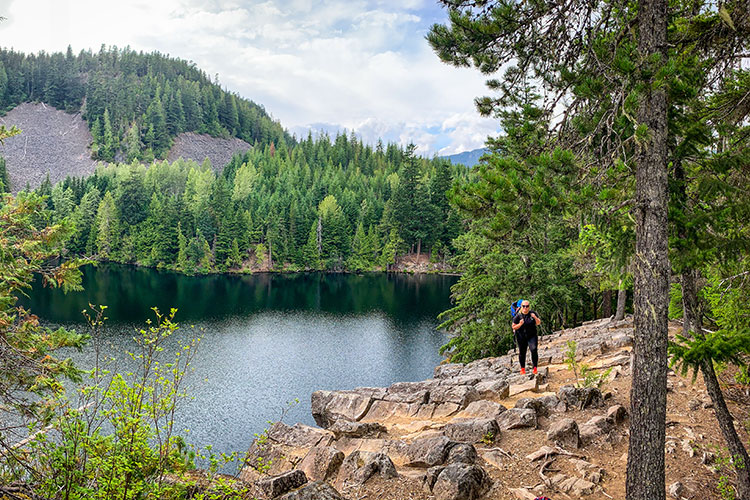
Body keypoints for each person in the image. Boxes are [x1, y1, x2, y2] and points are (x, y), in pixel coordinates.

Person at [512, 300, 541, 375]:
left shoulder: (532, 313)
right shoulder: (518, 316)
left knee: (534, 350)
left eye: (527, 306)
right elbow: (514, 327)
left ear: (529, 306)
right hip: (521, 336)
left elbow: (538, 323)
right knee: (522, 352)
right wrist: (520, 324)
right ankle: (522, 368)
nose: (525, 308)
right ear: (521, 306)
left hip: (532, 335)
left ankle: (535, 368)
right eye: (524, 306)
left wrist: (535, 317)